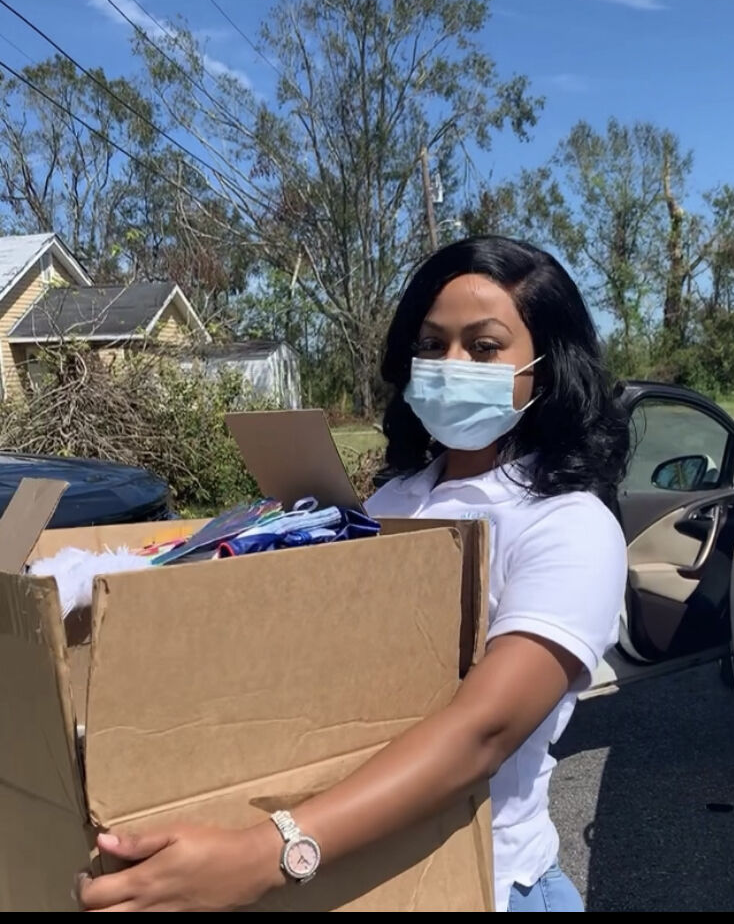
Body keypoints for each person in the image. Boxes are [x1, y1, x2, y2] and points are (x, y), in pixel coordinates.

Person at [79, 236, 629, 914]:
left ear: (545, 370)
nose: (449, 364)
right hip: (353, 871)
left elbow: (480, 734)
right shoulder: (391, 501)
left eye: (483, 347)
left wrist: (263, 856)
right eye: (431, 345)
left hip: (484, 881)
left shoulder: (567, 525)